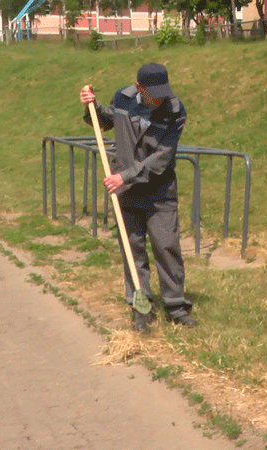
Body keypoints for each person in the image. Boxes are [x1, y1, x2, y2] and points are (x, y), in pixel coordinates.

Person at [79, 62, 197, 331]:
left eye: (162, 91)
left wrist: (126, 175)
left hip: (159, 191)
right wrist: (91, 107)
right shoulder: (122, 97)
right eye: (153, 92)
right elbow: (105, 120)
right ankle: (140, 304)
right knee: (133, 250)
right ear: (139, 87)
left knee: (166, 246)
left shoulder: (175, 110)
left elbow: (162, 158)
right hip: (127, 191)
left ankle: (176, 305)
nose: (159, 98)